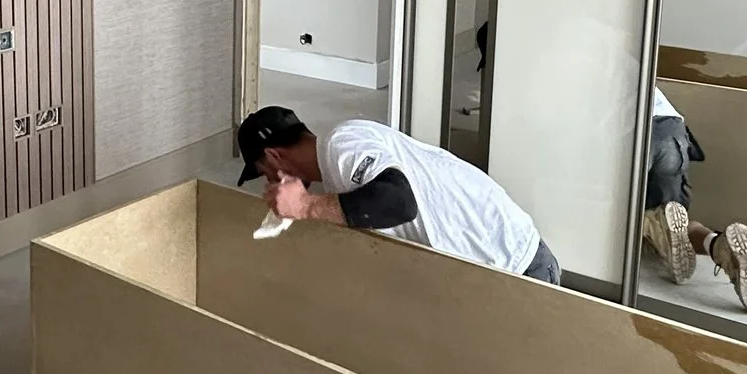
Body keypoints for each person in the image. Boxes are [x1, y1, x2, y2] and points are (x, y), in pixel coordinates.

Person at [236, 105, 561, 284]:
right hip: (498, 265)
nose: (270, 183)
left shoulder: (341, 146)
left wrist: (305, 206)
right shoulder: (338, 161)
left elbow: (397, 202)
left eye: (265, 172)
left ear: (275, 155)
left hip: (517, 267)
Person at [640, 86, 747, 313]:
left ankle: (651, 224)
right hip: (672, 131)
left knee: (622, 220)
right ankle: (718, 245)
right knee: (674, 217)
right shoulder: (634, 64)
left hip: (635, 130)